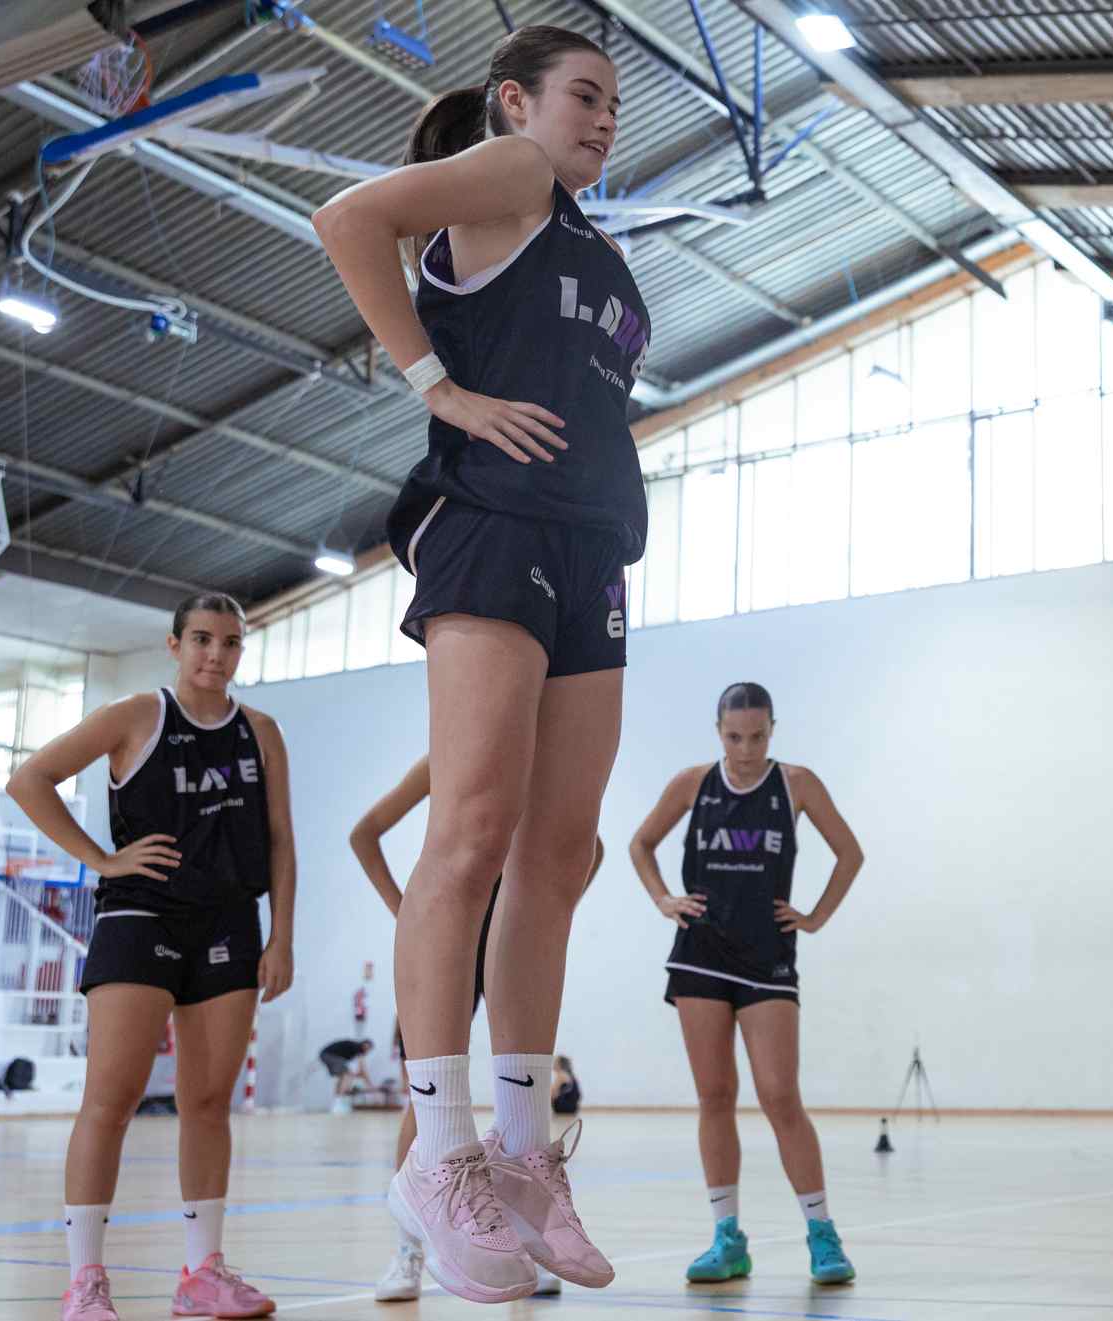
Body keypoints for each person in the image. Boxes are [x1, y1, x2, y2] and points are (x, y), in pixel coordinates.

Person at [311, 22, 648, 1303]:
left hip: (592, 550)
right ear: (516, 102)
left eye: (616, 102)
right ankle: (437, 1150)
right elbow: (349, 219)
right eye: (584, 94)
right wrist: (437, 387)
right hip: (493, 528)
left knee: (559, 855)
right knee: (472, 832)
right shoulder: (514, 179)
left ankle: (520, 1154)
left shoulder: (596, 246)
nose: (604, 117)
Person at [8, 593, 296, 1321]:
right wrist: (100, 860)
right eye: (202, 638)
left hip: (230, 917)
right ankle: (85, 1282)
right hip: (140, 914)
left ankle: (203, 1272)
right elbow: (28, 779)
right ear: (173, 644)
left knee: (207, 1102)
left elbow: (282, 839)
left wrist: (281, 932)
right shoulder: (137, 715)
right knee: (112, 1098)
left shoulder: (261, 732)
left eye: (231, 642)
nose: (216, 654)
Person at [628, 683, 866, 1286]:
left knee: (780, 1095)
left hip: (768, 960)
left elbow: (850, 854)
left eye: (758, 736)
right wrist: (662, 899)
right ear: (718, 731)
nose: (746, 748)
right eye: (735, 737)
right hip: (700, 956)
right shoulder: (692, 783)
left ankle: (822, 1234)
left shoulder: (796, 784)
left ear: (772, 730)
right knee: (714, 1094)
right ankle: (726, 1237)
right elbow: (640, 843)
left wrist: (814, 917)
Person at [348, 752, 604, 1302]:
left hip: (509, 951)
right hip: (449, 951)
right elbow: (365, 834)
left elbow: (588, 849)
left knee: (519, 1090)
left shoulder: (547, 762)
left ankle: (519, 1234)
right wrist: (408, 917)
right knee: (430, 1100)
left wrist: (550, 912)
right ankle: (410, 1252)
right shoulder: (451, 754)